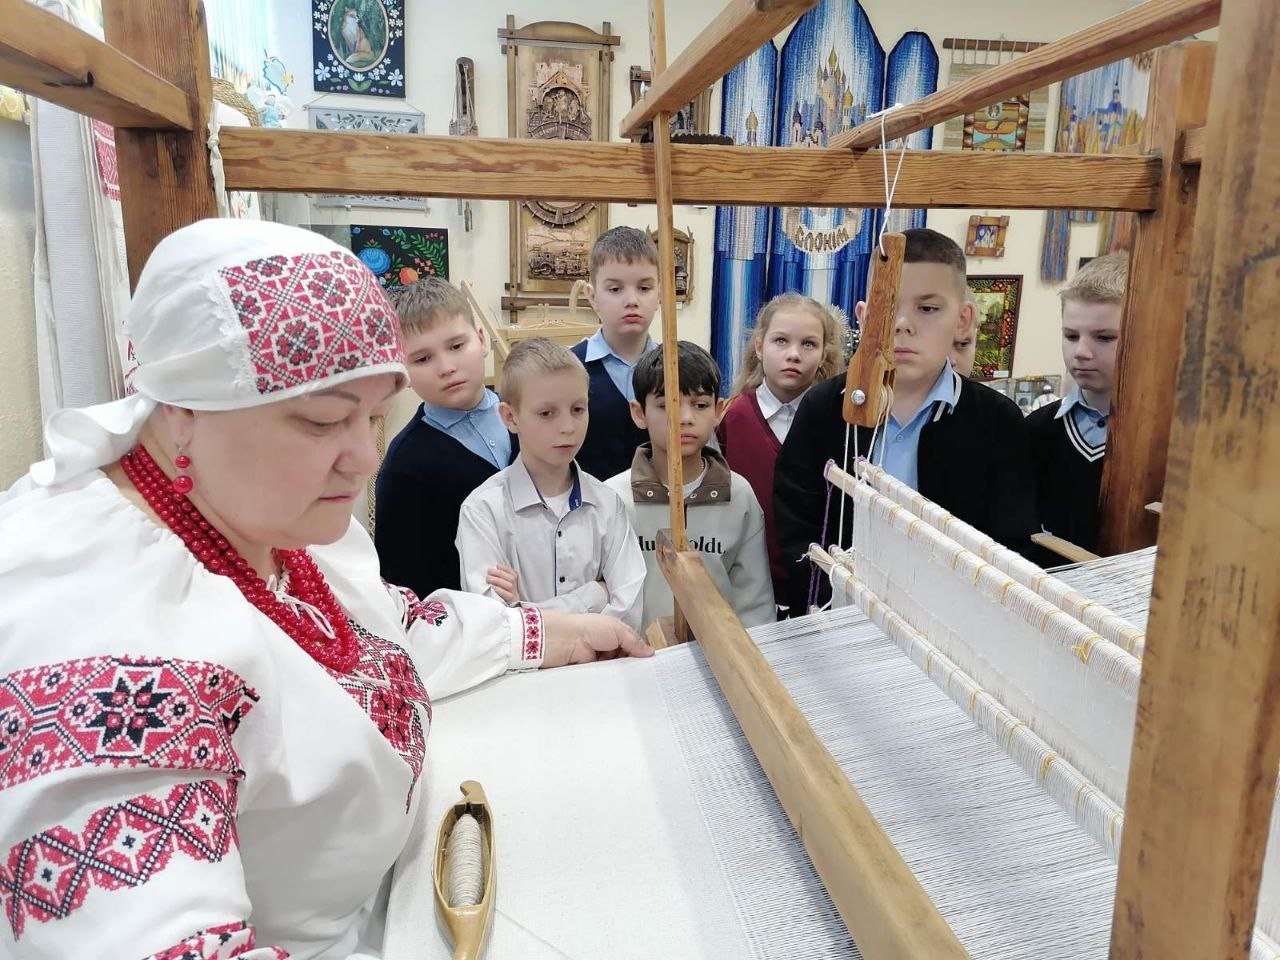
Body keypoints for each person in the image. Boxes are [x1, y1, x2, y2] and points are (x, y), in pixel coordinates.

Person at [0, 220, 649, 960]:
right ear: (181, 414)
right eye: (323, 421)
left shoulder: (263, 518)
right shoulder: (97, 637)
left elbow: (384, 633)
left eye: (375, 417)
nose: (365, 457)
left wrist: (544, 632)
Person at [774, 227, 1043, 614]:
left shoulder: (997, 422)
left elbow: (1009, 546)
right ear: (864, 317)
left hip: (952, 626)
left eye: (927, 309)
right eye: (888, 307)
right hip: (839, 619)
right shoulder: (823, 408)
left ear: (963, 320)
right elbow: (796, 529)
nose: (902, 324)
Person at [457, 338, 646, 631]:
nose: (568, 427)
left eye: (578, 409)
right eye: (547, 413)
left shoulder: (609, 504)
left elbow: (628, 615)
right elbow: (495, 628)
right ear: (510, 417)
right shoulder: (482, 511)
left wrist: (525, 611)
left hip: (602, 662)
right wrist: (594, 595)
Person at [607, 342, 775, 629]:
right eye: (666, 406)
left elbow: (754, 604)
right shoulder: (613, 498)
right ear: (639, 412)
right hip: (635, 652)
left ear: (718, 410)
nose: (685, 418)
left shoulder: (738, 495)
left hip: (720, 654)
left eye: (700, 405)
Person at [374, 277, 516, 597]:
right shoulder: (404, 466)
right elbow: (405, 584)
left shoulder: (529, 415)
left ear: (481, 339)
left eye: (456, 346)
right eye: (422, 359)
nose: (446, 367)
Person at [717, 293, 841, 608]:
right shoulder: (732, 418)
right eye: (781, 341)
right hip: (746, 590)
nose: (794, 355)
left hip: (817, 592)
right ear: (759, 346)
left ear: (823, 354)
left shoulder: (835, 422)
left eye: (808, 344)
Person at [1028, 253, 1127, 554]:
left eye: (1104, 338)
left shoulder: (1173, 442)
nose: (1081, 352)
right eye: (1071, 336)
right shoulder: (1034, 431)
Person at [571, 227, 659, 480]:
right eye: (615, 289)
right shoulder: (569, 369)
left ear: (660, 293)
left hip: (661, 502)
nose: (631, 300)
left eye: (644, 288)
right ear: (592, 296)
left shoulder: (678, 370)